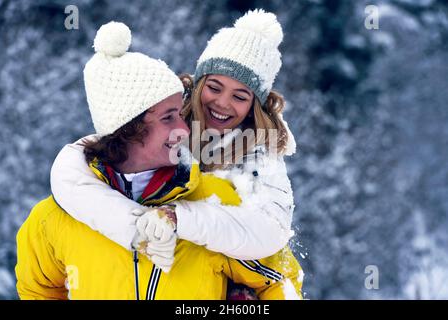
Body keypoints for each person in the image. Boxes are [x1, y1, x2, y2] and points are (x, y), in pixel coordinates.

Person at [15, 21, 303, 300]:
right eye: (214, 87)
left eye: (240, 96)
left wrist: (179, 218)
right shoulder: (56, 217)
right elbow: (38, 288)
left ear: (255, 106)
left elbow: (274, 248)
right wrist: (137, 227)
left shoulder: (245, 176)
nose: (223, 103)